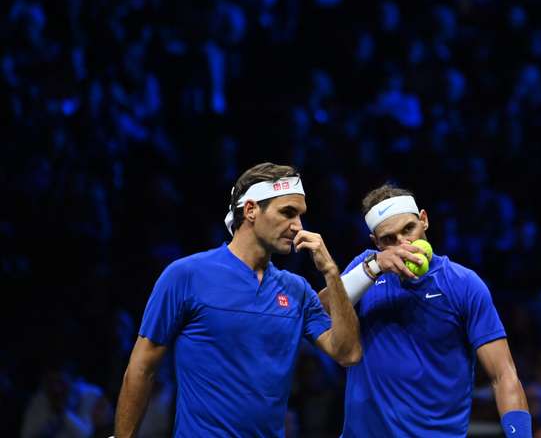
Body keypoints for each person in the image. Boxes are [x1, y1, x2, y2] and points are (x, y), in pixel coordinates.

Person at [114, 162, 361, 437]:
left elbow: (348, 353)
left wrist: (330, 272)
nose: (298, 227)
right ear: (251, 210)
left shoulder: (297, 290)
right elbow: (142, 367)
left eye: (300, 215)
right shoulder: (185, 276)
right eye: (288, 213)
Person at [319, 183, 531, 437]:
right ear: (376, 243)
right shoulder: (364, 270)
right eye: (389, 239)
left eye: (409, 229)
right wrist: (371, 270)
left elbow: (504, 375)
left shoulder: (463, 284)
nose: (404, 244)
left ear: (424, 220)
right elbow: (317, 312)